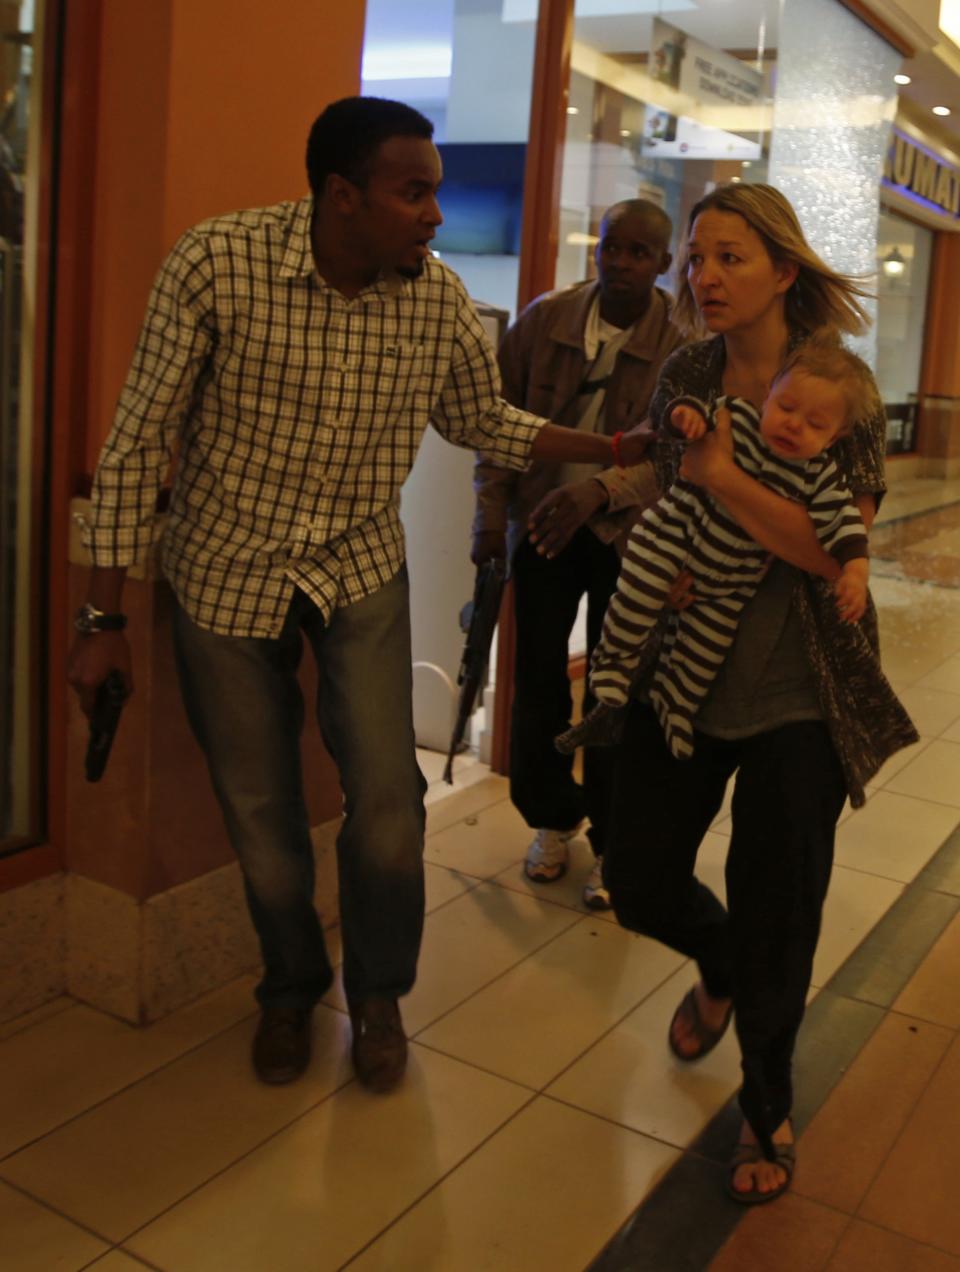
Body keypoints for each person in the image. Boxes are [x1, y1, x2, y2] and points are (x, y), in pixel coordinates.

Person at [65, 96, 653, 1094]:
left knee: (388, 799)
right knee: (260, 811)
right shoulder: (217, 263)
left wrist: (607, 448)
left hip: (360, 569)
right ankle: (291, 986)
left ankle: (377, 995)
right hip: (224, 568)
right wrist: (101, 619)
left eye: (434, 191)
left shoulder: (433, 299)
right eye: (412, 191)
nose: (434, 213)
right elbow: (134, 445)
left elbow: (487, 421)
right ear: (342, 197)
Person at [542, 182, 916, 1204]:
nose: (702, 277)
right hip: (685, 666)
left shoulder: (844, 387)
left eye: (729, 258)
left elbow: (833, 544)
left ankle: (765, 1106)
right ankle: (723, 965)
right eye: (696, 258)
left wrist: (724, 483)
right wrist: (641, 498)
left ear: (784, 270)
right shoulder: (688, 370)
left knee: (779, 906)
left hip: (805, 684)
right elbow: (673, 480)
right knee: (646, 879)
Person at [471, 199, 683, 907]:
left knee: (617, 692)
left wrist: (600, 492)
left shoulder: (685, 344)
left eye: (638, 253)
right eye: (610, 247)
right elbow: (497, 429)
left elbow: (679, 460)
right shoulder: (547, 319)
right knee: (535, 688)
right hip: (541, 531)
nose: (620, 263)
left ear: (663, 262)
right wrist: (487, 521)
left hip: (632, 540)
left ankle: (617, 848)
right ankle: (552, 820)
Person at [563, 339, 875, 761]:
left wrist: (855, 573)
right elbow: (687, 412)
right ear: (767, 397)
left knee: (703, 653)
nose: (794, 425)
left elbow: (848, 530)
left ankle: (677, 707)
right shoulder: (739, 417)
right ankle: (613, 664)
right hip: (671, 536)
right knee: (637, 597)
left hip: (730, 584)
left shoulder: (821, 478)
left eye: (815, 423)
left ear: (836, 436)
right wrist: (684, 416)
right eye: (786, 408)